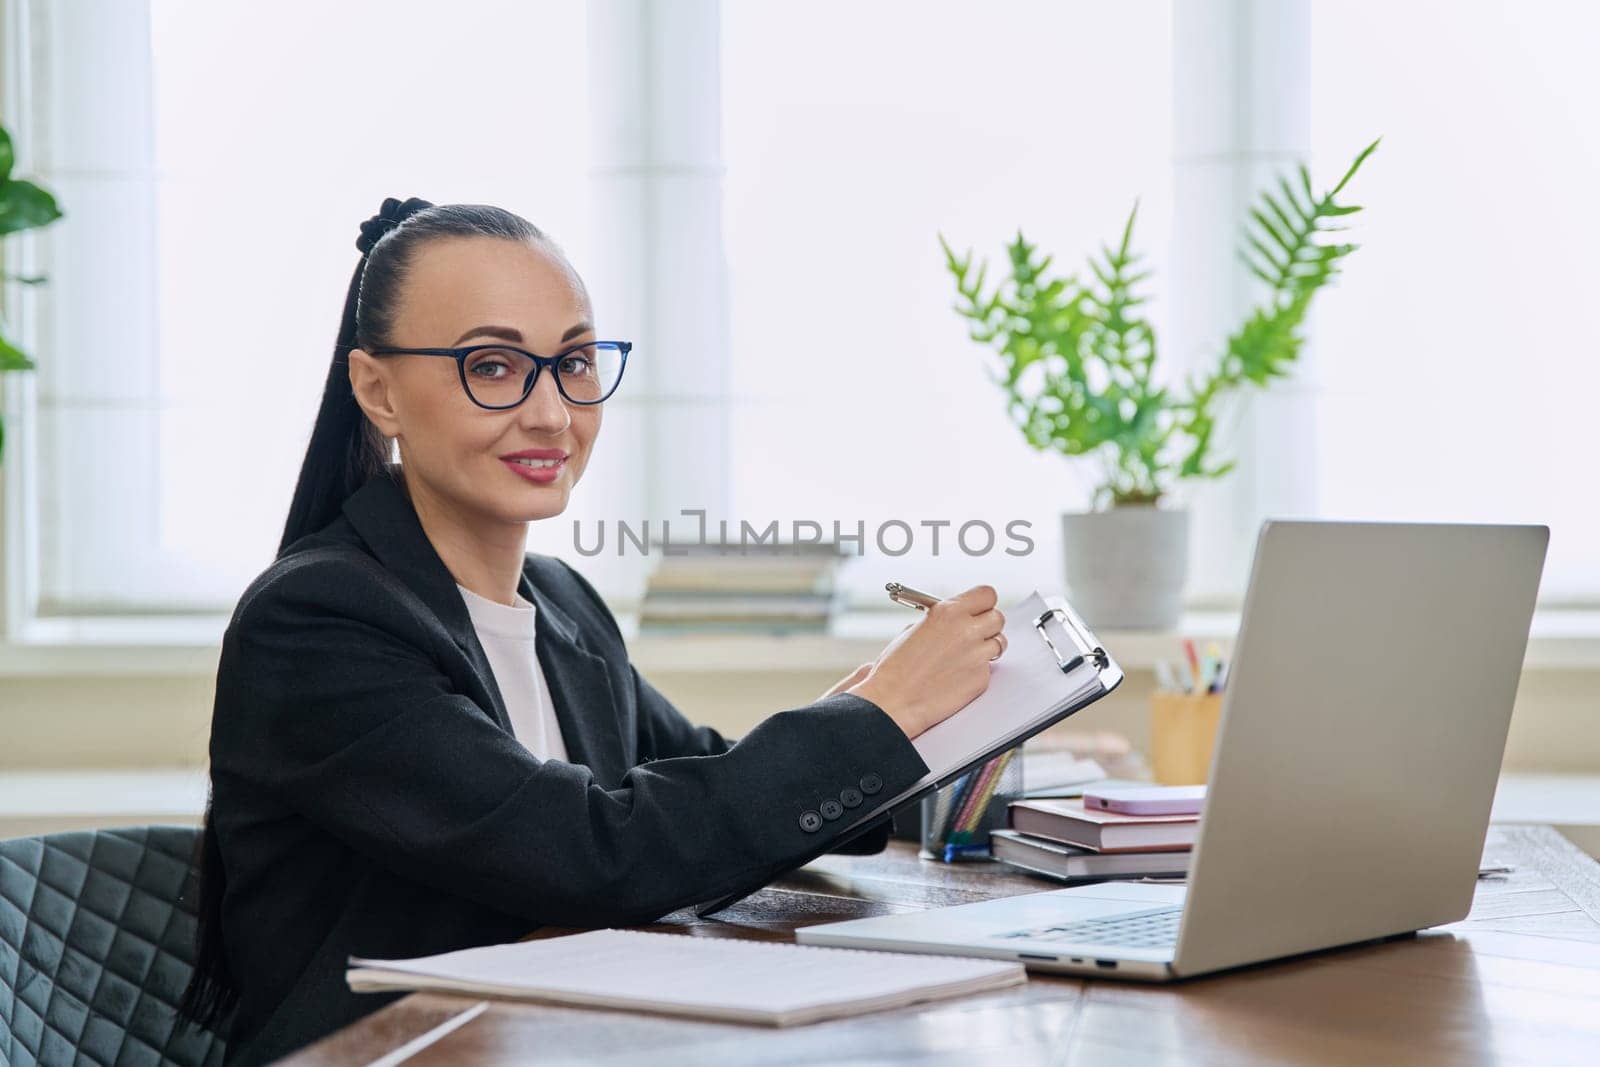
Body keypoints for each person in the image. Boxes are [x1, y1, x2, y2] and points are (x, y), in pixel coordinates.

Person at [176, 197, 1008, 1065]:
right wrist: (876, 717)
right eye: (492, 366)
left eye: (573, 361)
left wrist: (932, 726)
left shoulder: (562, 601)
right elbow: (596, 850)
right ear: (377, 390)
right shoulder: (316, 624)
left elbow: (706, 781)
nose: (551, 413)